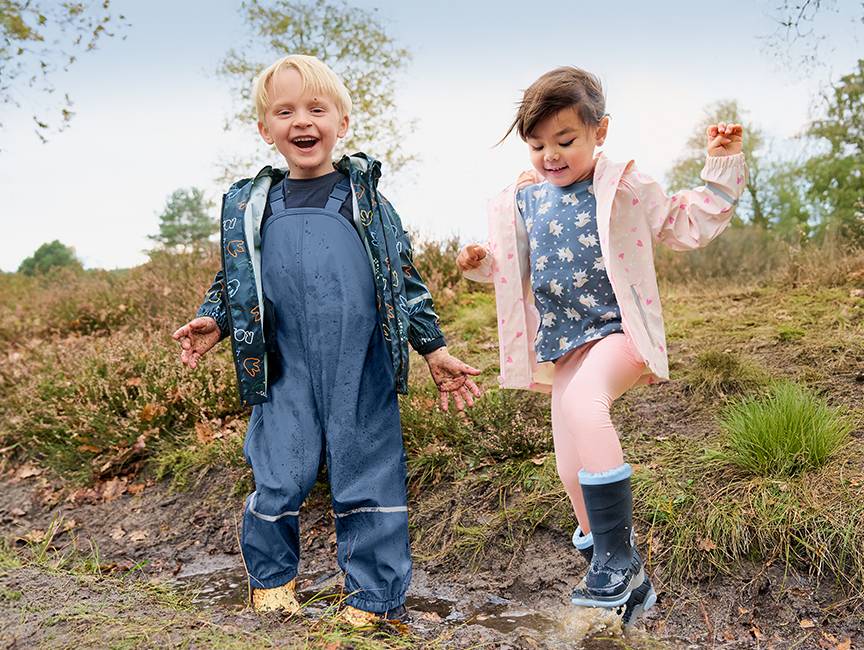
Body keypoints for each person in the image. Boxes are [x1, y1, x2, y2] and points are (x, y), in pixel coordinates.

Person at [173, 54, 481, 625]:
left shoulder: (366, 201)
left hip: (358, 361)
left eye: (316, 108)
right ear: (266, 130)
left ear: (343, 121)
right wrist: (214, 319)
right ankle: (272, 580)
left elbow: (402, 279)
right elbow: (234, 278)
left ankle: (373, 597)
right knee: (278, 471)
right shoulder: (253, 206)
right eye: (285, 111)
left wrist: (434, 349)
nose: (302, 121)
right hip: (283, 362)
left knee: (366, 471)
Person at [457, 66, 746, 626]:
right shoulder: (526, 200)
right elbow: (507, 265)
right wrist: (480, 264)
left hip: (619, 332)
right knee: (569, 464)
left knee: (586, 404)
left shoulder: (625, 187)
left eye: (565, 141)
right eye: (538, 144)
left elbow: (690, 221)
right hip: (565, 344)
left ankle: (618, 557)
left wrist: (722, 167)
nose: (551, 156)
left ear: (599, 131)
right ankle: (616, 574)